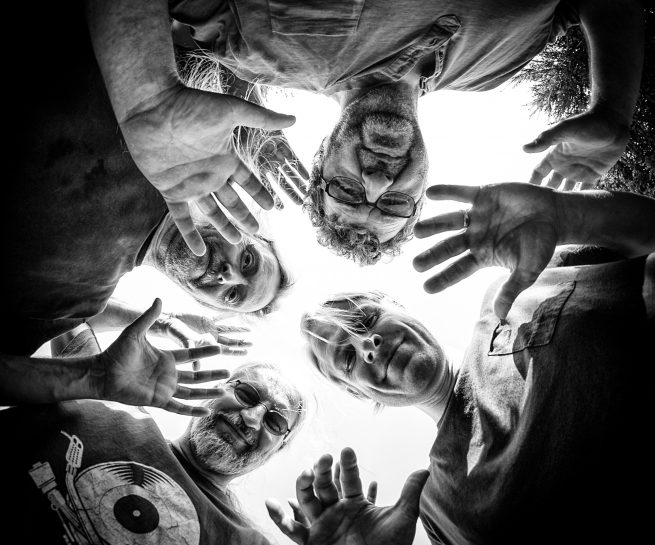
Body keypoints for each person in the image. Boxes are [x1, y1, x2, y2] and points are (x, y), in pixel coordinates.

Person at [300, 182, 655, 543]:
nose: (367, 344)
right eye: (347, 357)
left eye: (368, 319)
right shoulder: (438, 511)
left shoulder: (510, 293)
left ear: (399, 307)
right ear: (358, 393)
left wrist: (568, 214)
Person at [166, 0, 644, 264]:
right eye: (395, 204)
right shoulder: (494, 69)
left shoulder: (259, 53)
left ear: (321, 159)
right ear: (423, 188)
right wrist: (613, 106)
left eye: (347, 190)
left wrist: (152, 102)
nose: (378, 182)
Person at [0, 359, 308, 544]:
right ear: (215, 389)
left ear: (277, 451)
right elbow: (61, 310)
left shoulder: (244, 539)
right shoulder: (105, 397)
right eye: (246, 393)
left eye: (275, 422)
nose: (251, 418)